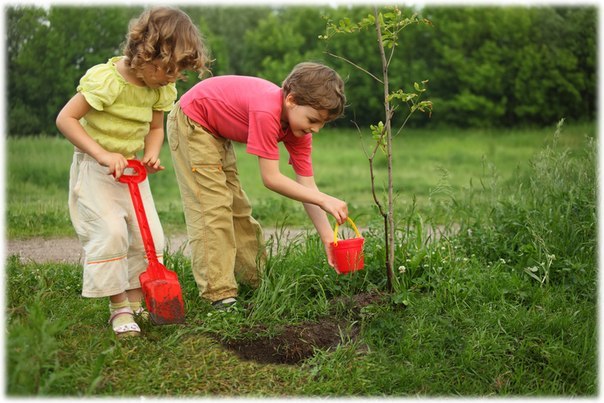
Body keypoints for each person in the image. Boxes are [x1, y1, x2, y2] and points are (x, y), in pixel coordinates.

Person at [55, 6, 208, 337]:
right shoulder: (107, 81)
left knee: (148, 236)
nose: (172, 79)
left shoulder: (160, 88)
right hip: (96, 169)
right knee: (111, 232)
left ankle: (138, 301)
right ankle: (119, 306)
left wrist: (152, 153)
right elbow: (65, 119)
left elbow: (155, 128)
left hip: (132, 171)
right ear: (145, 52)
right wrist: (101, 154)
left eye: (177, 73)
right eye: (167, 70)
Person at [167, 62, 348, 310]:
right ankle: (219, 293)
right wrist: (324, 199)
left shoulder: (299, 131)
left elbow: (307, 187)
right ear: (292, 100)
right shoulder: (267, 111)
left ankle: (255, 280)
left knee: (238, 208)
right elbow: (271, 178)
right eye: (313, 120)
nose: (316, 129)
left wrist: (329, 238)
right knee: (214, 208)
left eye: (322, 123)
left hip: (216, 133)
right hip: (193, 122)